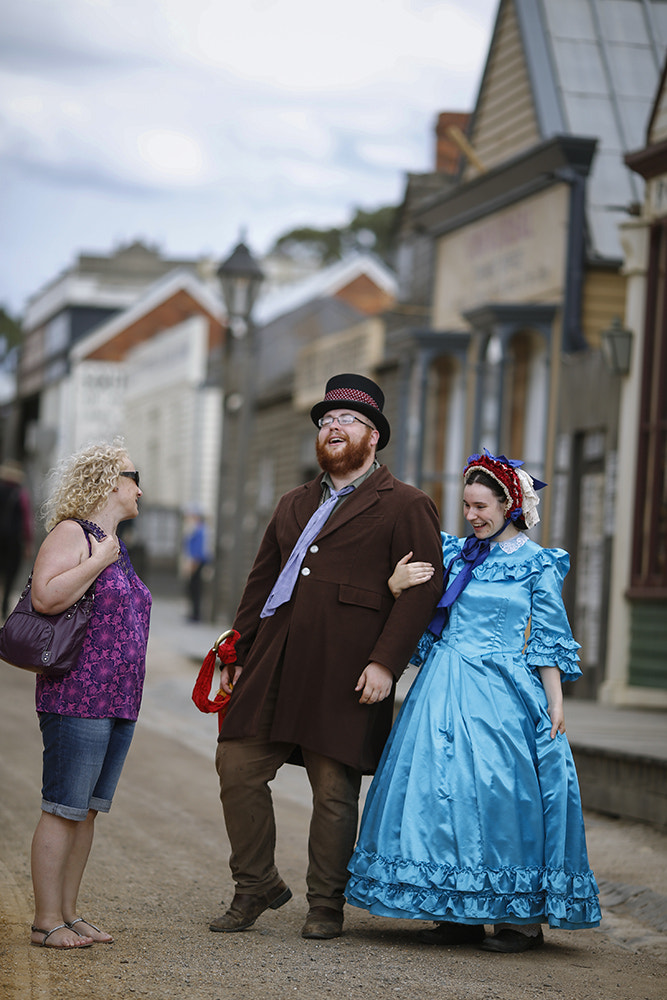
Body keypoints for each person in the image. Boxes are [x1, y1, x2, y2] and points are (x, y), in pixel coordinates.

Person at [210, 373, 443, 940]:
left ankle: (325, 904)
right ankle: (255, 885)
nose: (334, 426)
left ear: (374, 438)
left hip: (348, 665)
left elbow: (422, 590)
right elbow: (261, 582)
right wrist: (234, 648)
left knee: (334, 788)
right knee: (237, 766)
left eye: (348, 420)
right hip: (274, 657)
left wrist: (386, 663)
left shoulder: (407, 504)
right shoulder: (292, 502)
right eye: (326, 420)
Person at [346, 449, 601, 952]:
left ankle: (517, 917)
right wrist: (395, 586)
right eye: (466, 505)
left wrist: (556, 703)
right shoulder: (453, 553)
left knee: (502, 793)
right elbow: (411, 599)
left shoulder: (536, 563)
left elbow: (548, 638)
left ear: (509, 504)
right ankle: (454, 908)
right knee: (440, 790)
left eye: (482, 506)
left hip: (502, 687)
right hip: (442, 683)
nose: (472, 516)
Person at [29, 441, 151, 949]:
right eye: (132, 476)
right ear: (106, 481)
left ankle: (69, 912)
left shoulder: (112, 543)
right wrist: (97, 561)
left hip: (117, 699)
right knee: (62, 806)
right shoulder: (75, 534)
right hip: (76, 696)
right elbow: (45, 595)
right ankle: (45, 920)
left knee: (87, 810)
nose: (140, 488)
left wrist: (107, 556)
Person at [0, 459, 34, 620]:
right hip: (14, 540)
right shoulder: (21, 494)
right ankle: (4, 606)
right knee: (10, 574)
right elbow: (27, 521)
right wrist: (28, 543)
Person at [182, 505, 210, 622]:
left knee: (195, 588)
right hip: (194, 561)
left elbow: (198, 549)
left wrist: (194, 563)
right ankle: (193, 612)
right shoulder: (196, 529)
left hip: (197, 562)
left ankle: (196, 614)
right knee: (193, 588)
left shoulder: (199, 530)